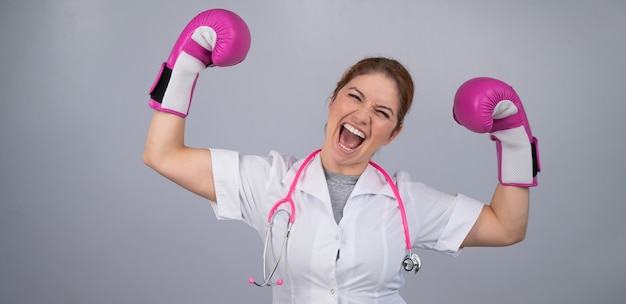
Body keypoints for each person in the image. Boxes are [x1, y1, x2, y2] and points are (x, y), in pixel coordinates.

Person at [143, 9, 540, 304]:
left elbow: (506, 227)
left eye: (382, 113)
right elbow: (163, 155)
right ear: (332, 101)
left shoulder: (407, 201)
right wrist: (186, 64)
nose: (362, 116)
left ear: (394, 132)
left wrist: (516, 141)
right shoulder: (270, 182)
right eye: (354, 97)